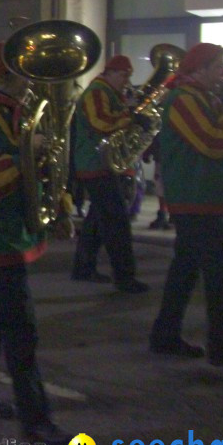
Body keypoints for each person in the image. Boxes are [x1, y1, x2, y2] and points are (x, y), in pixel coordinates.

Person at [0, 43, 70, 445]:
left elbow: (39, 170)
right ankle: (36, 420)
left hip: (13, 232)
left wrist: (59, 203)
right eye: (25, 74)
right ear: (4, 77)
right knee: (22, 332)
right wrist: (25, 155)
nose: (32, 83)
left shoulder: (14, 113)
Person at [149, 43, 223, 370]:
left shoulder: (202, 96)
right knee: (220, 272)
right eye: (220, 68)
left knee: (186, 270)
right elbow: (213, 142)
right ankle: (222, 346)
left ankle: (165, 335)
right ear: (200, 69)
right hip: (196, 200)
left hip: (203, 198)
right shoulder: (184, 98)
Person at [70, 55, 149, 293]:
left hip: (101, 163)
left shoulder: (109, 92)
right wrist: (131, 117)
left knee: (98, 219)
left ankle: (83, 267)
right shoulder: (97, 92)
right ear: (111, 72)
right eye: (124, 75)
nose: (127, 81)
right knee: (117, 222)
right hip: (95, 163)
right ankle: (124, 277)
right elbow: (100, 123)